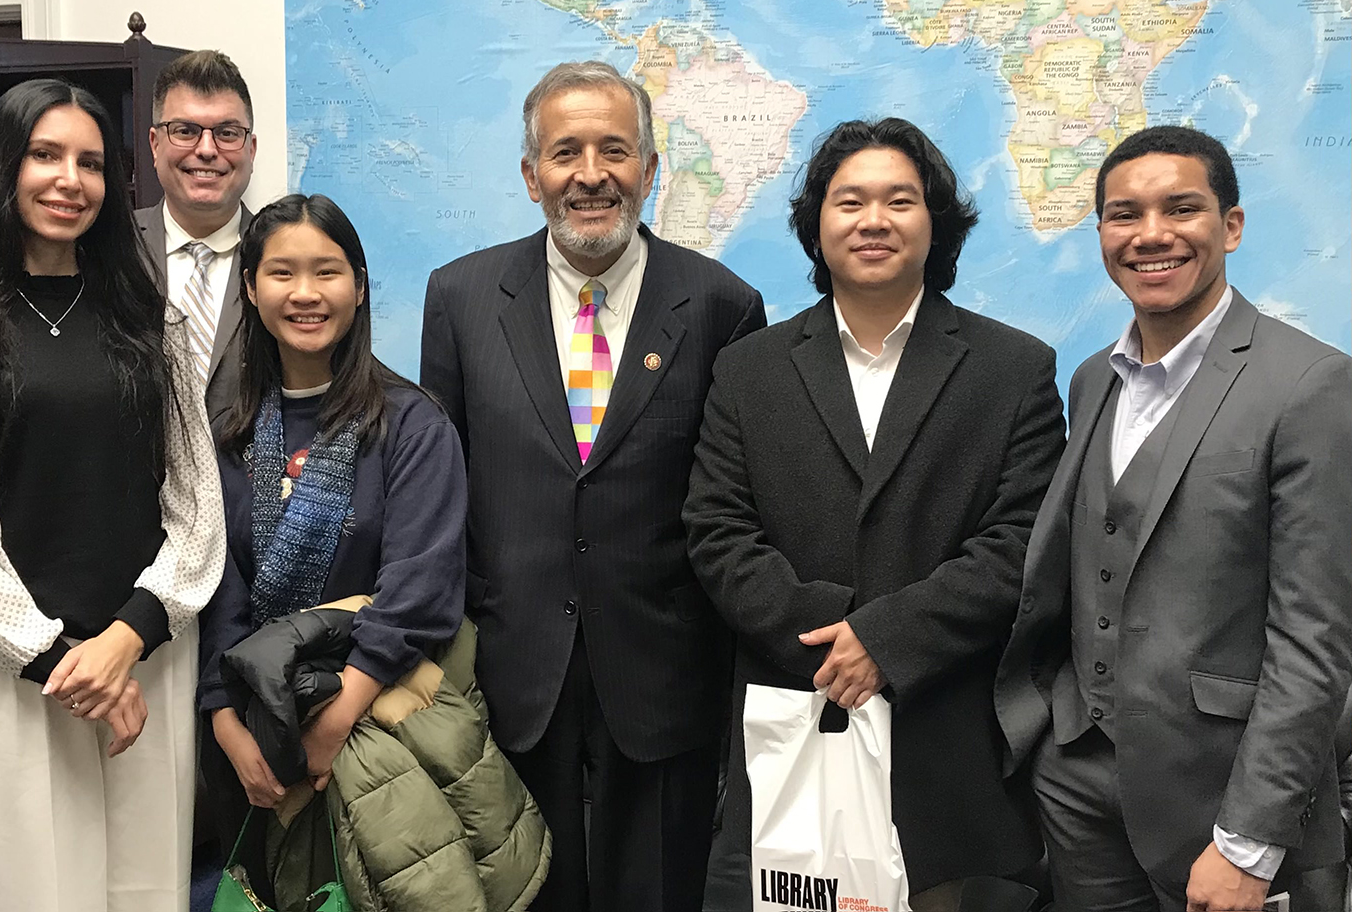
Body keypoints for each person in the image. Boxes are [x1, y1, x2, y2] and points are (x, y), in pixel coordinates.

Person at [683, 118, 1066, 912]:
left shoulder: (1014, 368)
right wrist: (839, 637)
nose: (873, 220)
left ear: (936, 224)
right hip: (798, 722)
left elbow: (1025, 537)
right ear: (816, 226)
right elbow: (717, 531)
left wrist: (889, 641)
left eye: (901, 200)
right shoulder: (747, 369)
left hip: (948, 744)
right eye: (848, 201)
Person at [420, 60, 766, 912]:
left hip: (663, 675)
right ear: (531, 174)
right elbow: (441, 495)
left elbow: (735, 501)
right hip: (511, 673)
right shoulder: (460, 298)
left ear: (649, 170)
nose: (591, 174)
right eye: (565, 151)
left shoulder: (724, 305)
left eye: (615, 150)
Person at [994, 125, 1352, 912]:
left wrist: (1249, 843)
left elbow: (1315, 639)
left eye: (1180, 208)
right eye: (1125, 215)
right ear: (1100, 236)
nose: (1151, 234)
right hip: (1080, 789)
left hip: (1224, 801)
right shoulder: (1093, 381)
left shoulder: (1311, 385)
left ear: (1231, 225)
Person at [0, 78, 224, 912]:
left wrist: (126, 643)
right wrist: (63, 663)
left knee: (151, 895)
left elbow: (198, 511)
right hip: (22, 675)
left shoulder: (153, 317)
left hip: (148, 661)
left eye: (90, 162)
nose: (69, 180)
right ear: (4, 163)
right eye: (46, 155)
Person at [198, 193, 468, 894]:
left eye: (328, 272)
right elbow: (212, 585)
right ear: (252, 289)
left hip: (376, 729)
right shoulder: (225, 428)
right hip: (248, 736)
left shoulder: (411, 424)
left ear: (360, 285)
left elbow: (421, 585)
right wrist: (228, 727)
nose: (306, 294)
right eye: (282, 273)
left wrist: (336, 716)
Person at [137, 49, 257, 425]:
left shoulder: (282, 255)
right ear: (156, 144)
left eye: (227, 133)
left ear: (251, 150)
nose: (207, 150)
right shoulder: (107, 249)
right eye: (185, 131)